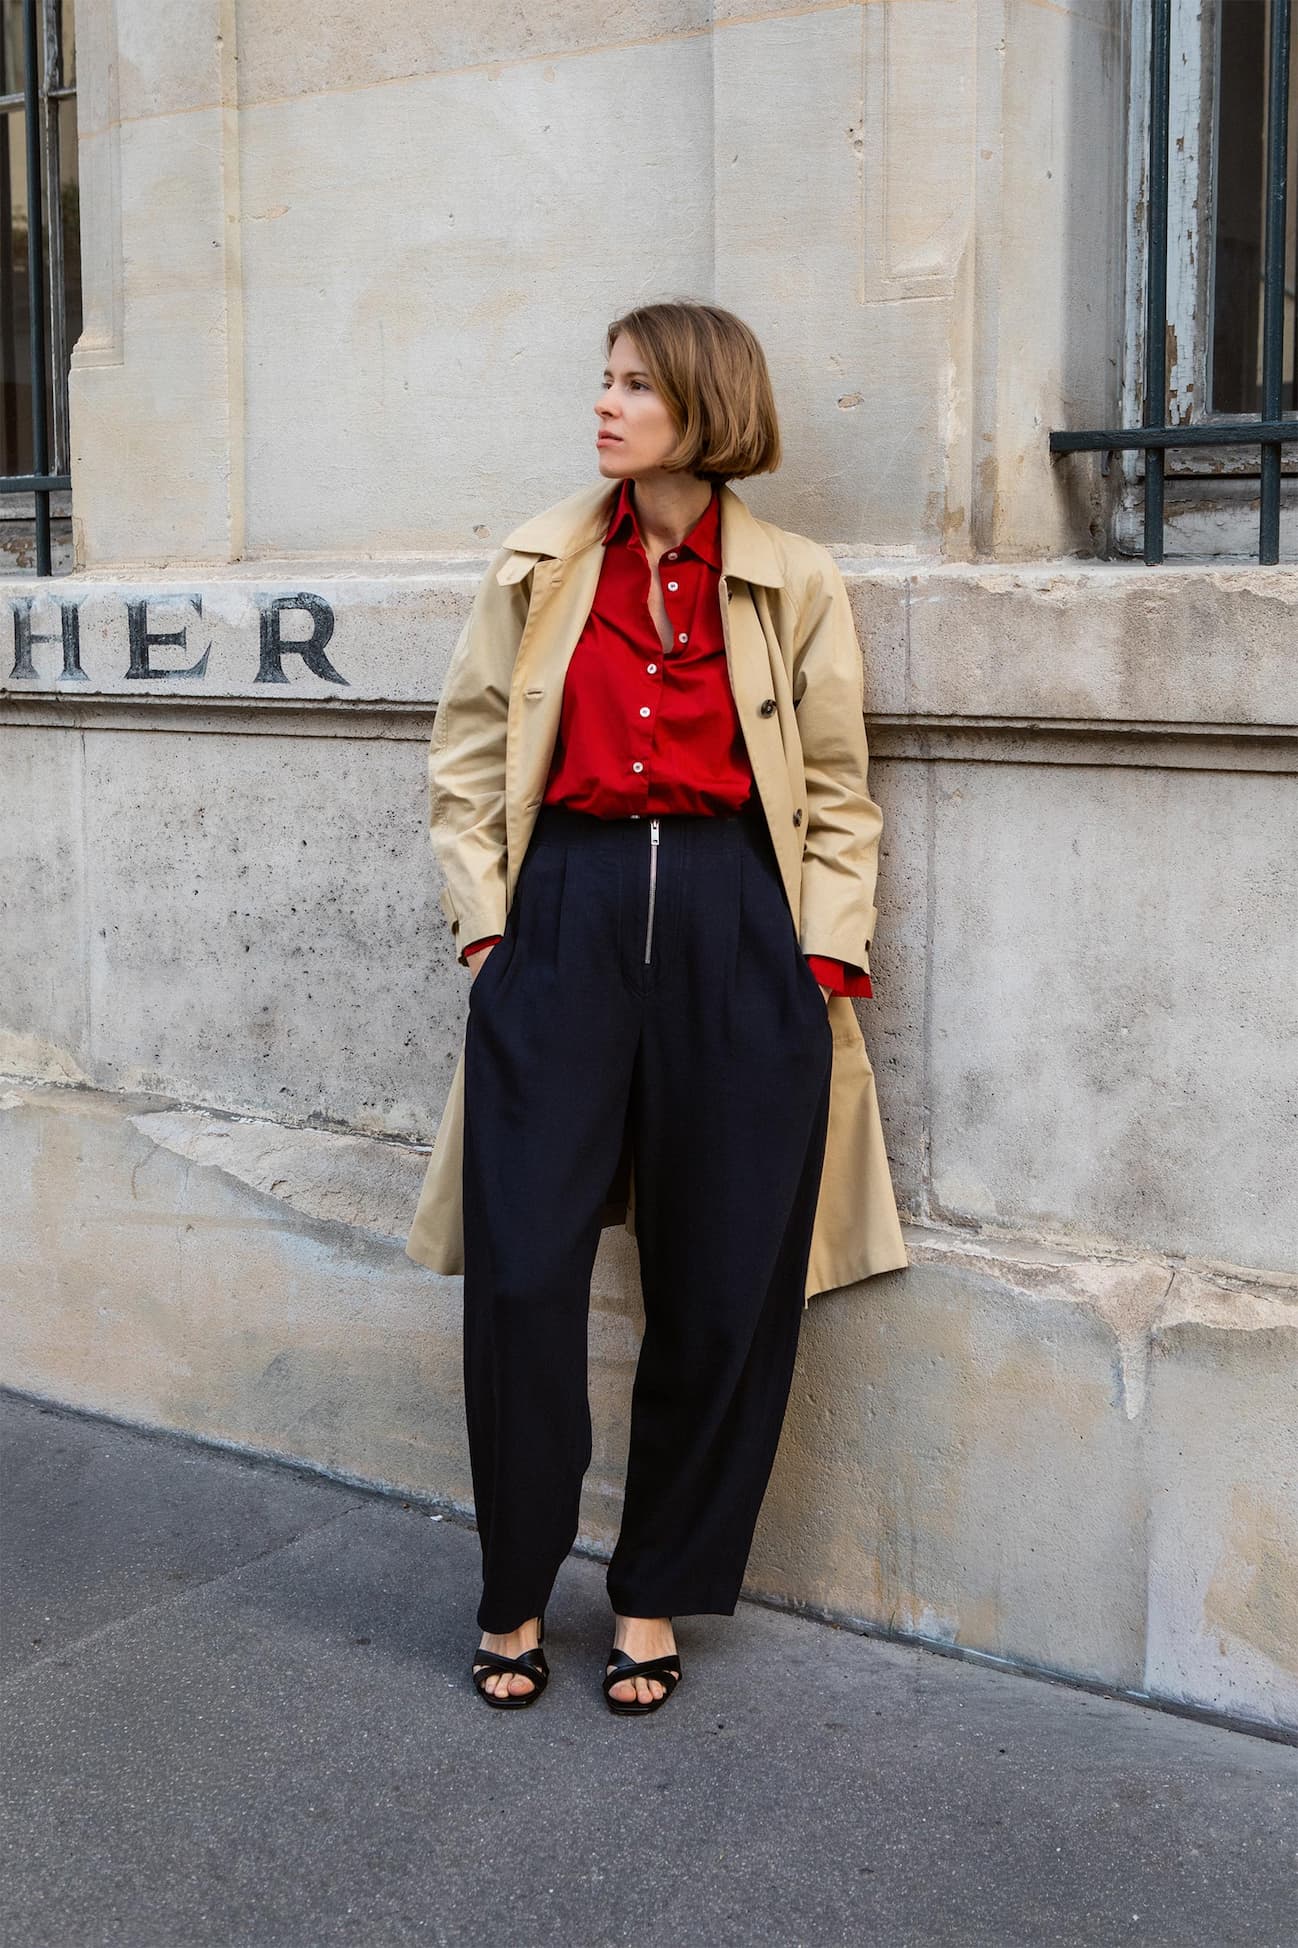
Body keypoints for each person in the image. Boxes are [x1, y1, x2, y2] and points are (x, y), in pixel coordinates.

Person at [405, 298, 907, 1715]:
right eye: (603, 378)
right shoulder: (542, 562)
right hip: (557, 915)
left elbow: (837, 787)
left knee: (720, 1276)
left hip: (735, 929)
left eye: (634, 384)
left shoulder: (793, 578)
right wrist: (490, 931)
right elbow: (469, 753)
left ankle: (650, 1594)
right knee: (520, 1271)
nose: (604, 404)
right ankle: (514, 1584)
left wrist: (817, 961)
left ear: (705, 404)